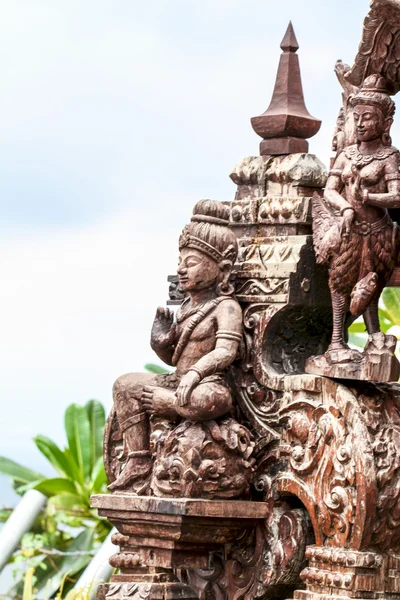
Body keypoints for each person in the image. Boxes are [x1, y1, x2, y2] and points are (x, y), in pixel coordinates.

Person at [108, 200, 242, 491]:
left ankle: (170, 406)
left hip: (206, 383)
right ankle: (138, 459)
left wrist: (194, 376)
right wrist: (160, 344)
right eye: (180, 262)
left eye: (191, 263)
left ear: (223, 268)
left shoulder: (226, 307)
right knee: (125, 384)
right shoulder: (184, 307)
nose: (181, 270)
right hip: (178, 380)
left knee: (211, 401)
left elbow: (225, 351)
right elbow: (175, 359)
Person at [314, 74, 400, 360]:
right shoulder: (347, 155)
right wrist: (347, 207)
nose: (361, 123)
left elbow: (397, 196)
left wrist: (368, 198)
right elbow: (329, 190)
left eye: (368, 117)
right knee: (340, 283)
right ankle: (338, 339)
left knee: (372, 284)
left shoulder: (389, 156)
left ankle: (374, 336)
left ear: (385, 123)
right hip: (349, 227)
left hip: (380, 231)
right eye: (357, 117)